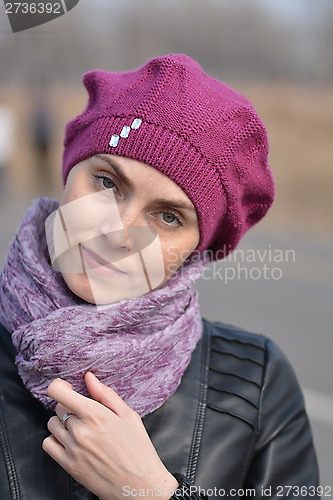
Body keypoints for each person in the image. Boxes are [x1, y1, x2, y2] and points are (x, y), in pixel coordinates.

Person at [0, 54, 320, 500]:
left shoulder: (256, 383)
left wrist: (150, 492)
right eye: (108, 183)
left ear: (196, 249)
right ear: (69, 172)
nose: (117, 232)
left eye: (168, 216)